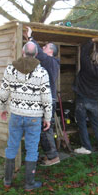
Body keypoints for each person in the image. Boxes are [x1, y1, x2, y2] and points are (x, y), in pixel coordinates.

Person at [0, 41, 52, 191]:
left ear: (23, 53)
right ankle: (29, 184)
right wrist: (47, 117)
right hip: (34, 117)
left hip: (16, 115)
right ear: (35, 54)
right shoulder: (42, 72)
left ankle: (7, 180)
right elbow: (46, 97)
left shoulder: (10, 69)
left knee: (12, 147)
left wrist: (2, 108)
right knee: (32, 149)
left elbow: (3, 91)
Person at [24, 27, 61, 166]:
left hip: (47, 101)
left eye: (45, 47)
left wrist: (30, 37)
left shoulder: (50, 61)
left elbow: (38, 52)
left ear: (50, 51)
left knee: (44, 130)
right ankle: (50, 155)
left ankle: (53, 157)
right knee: (44, 130)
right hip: (46, 101)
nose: (43, 48)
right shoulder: (49, 63)